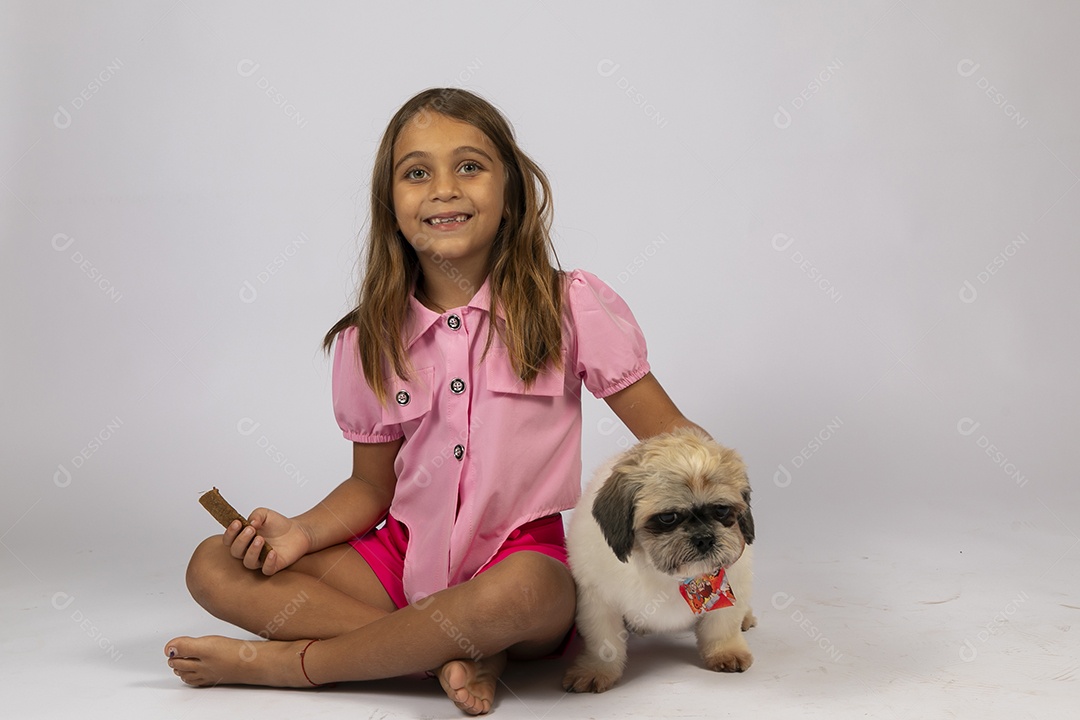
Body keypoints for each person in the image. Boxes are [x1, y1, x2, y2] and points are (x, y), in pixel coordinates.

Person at [164, 87, 704, 715]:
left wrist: (712, 569)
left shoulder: (567, 305)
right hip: (403, 558)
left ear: (510, 196)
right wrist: (299, 533)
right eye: (416, 173)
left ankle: (300, 666)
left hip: (526, 561)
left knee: (513, 599)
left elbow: (676, 445)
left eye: (470, 166)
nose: (443, 188)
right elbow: (370, 488)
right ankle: (455, 653)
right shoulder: (368, 337)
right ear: (390, 205)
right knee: (212, 567)